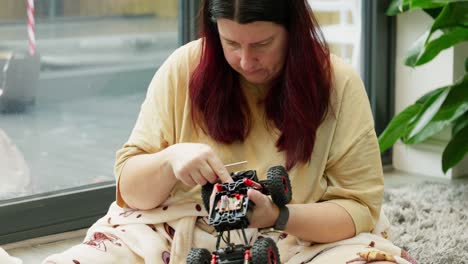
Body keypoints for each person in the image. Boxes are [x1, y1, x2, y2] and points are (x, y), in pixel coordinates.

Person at [43, 0, 417, 263]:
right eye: (231, 43)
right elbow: (130, 192)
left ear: (292, 31)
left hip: (302, 236)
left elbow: (360, 207)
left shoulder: (337, 83)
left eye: (263, 44)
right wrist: (170, 160)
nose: (245, 60)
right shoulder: (184, 68)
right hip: (182, 229)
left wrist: (277, 217)